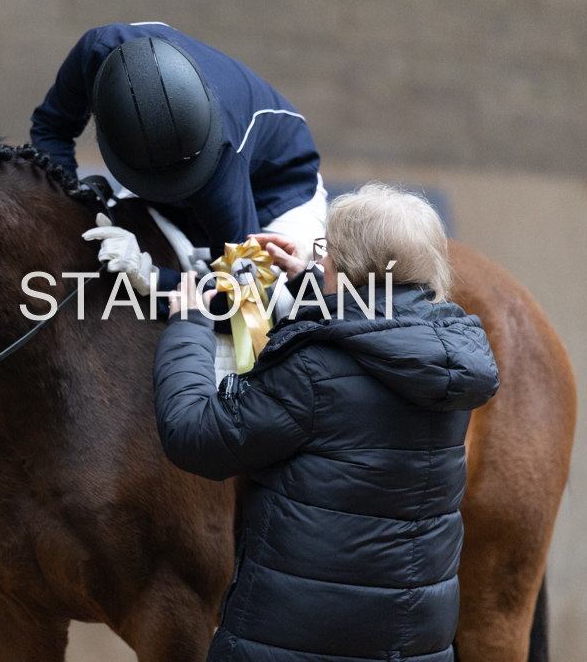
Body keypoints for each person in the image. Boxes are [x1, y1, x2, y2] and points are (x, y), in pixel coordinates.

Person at [153, 184, 500, 661]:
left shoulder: (312, 370)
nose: (322, 259)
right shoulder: (450, 360)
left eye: (327, 251)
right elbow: (377, 330)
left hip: (296, 644)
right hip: (409, 646)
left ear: (349, 267)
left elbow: (195, 434)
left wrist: (188, 326)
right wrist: (313, 284)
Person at [30, 22, 326, 300]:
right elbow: (51, 127)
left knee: (278, 303)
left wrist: (153, 279)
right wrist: (72, 196)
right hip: (165, 161)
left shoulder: (223, 167)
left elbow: (243, 297)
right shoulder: (97, 50)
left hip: (276, 197)